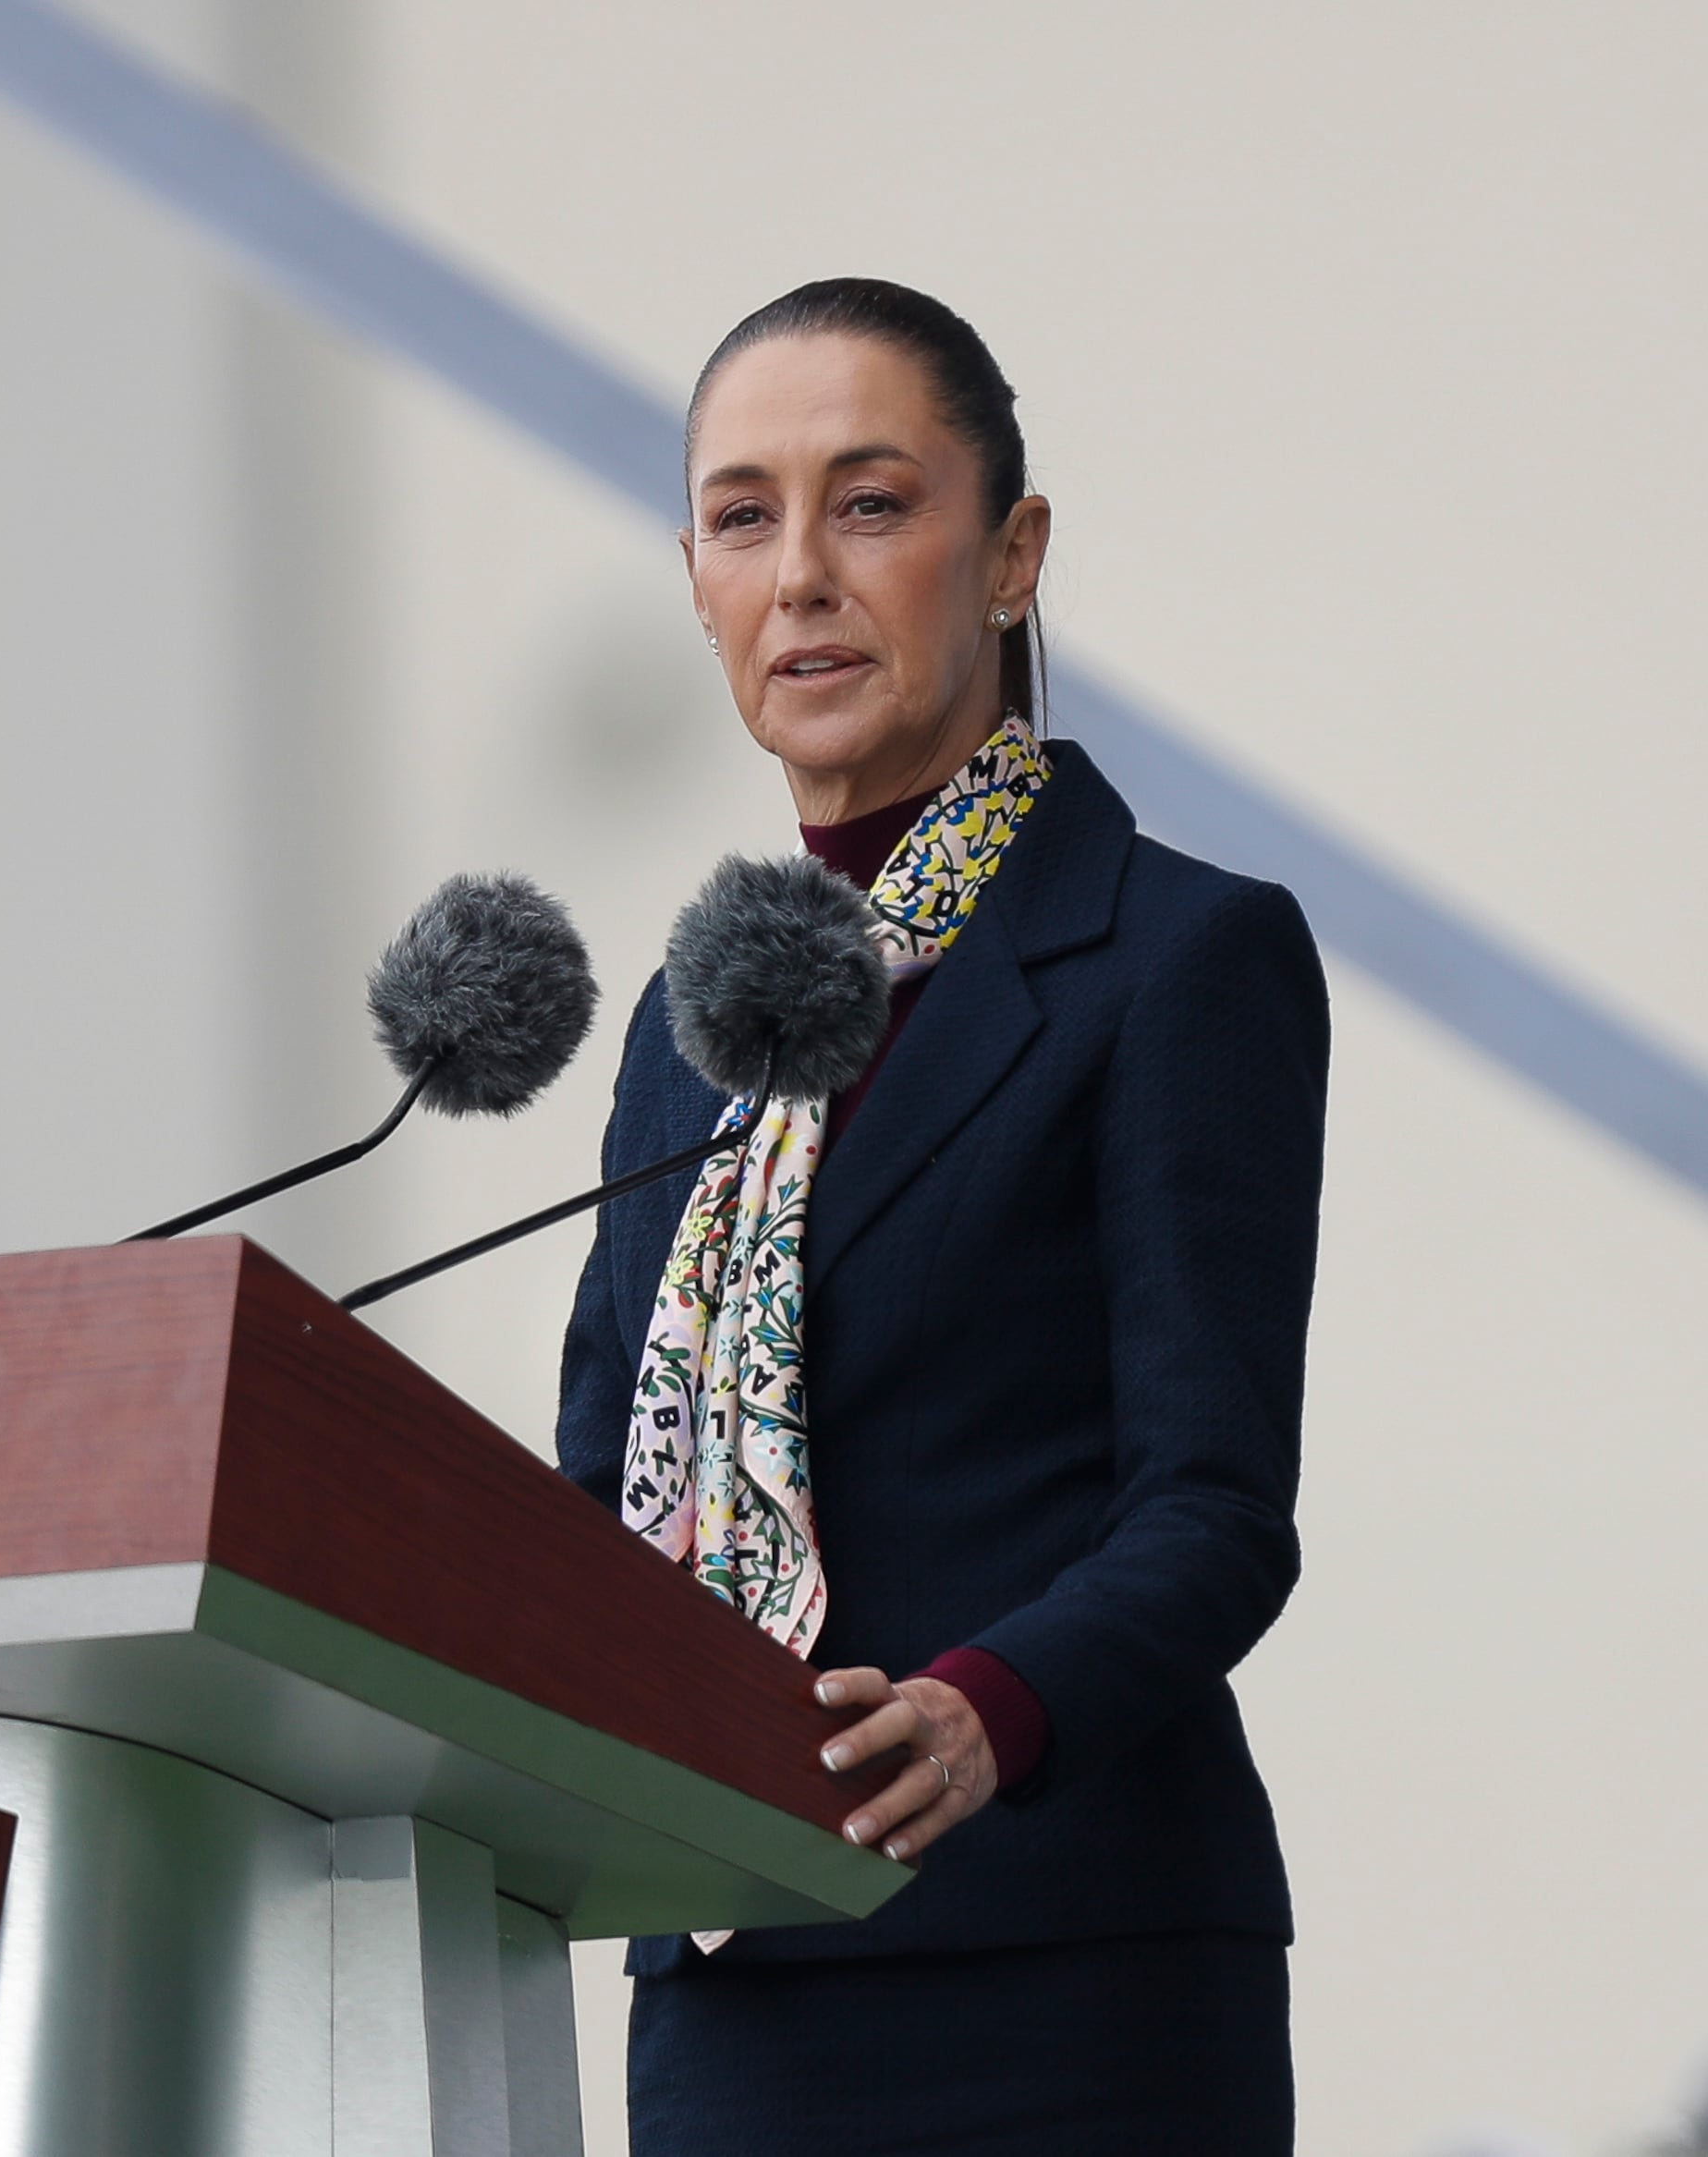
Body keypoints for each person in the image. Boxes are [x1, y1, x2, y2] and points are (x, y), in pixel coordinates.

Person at [555, 277, 1326, 2152]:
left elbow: (1214, 1514)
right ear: (694, 579)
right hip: (735, 1992)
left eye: (872, 501)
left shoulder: (1174, 956)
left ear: (1009, 556)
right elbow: (584, 1519)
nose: (801, 571)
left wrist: (991, 1708)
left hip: (1067, 1981)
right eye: (745, 516)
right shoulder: (695, 1033)